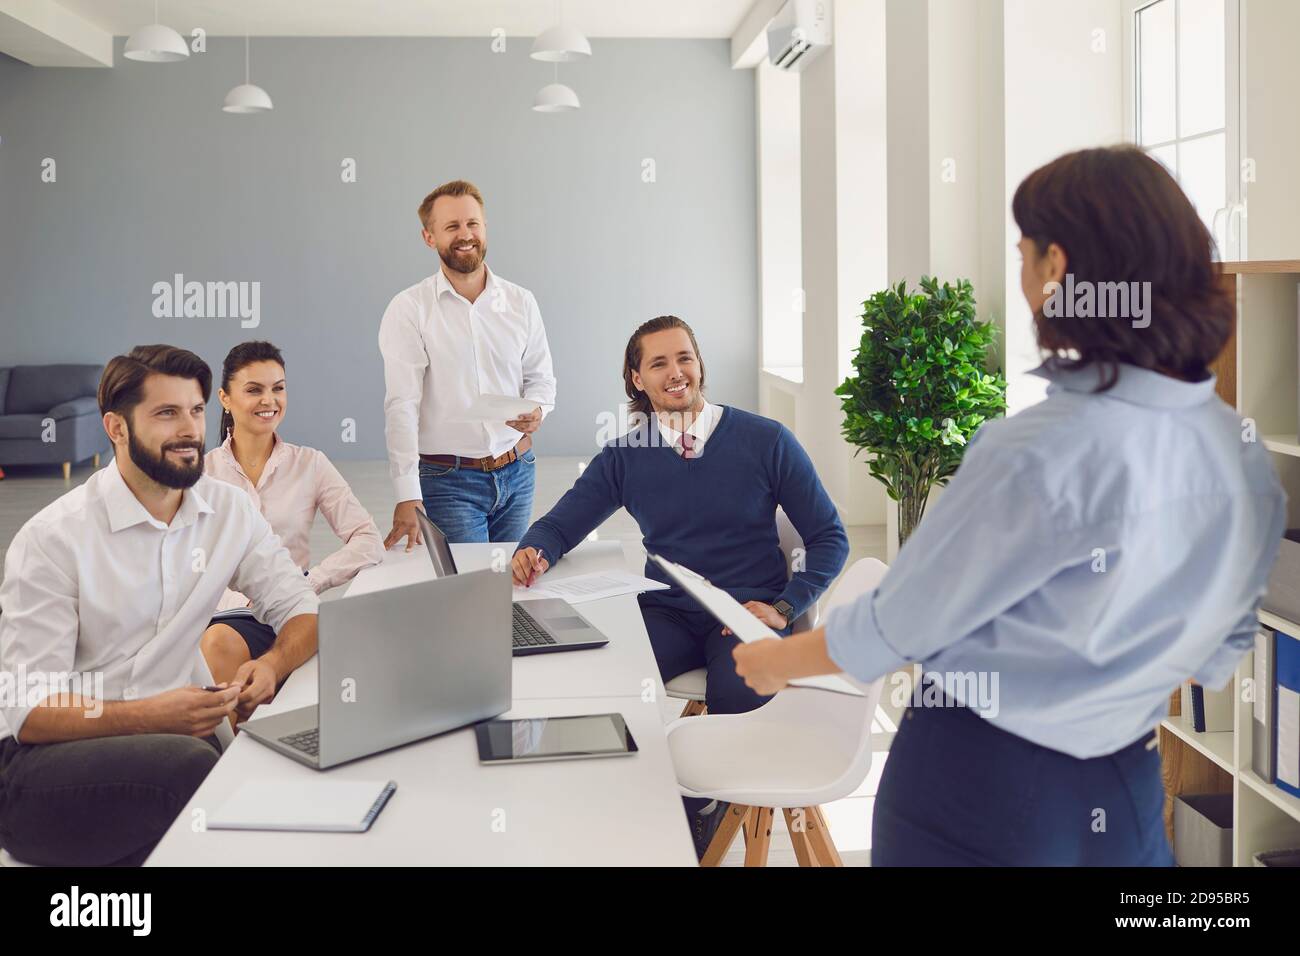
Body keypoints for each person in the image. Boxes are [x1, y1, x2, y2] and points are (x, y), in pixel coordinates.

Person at [732, 145, 1287, 866]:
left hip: (979, 786)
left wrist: (777, 663)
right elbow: (1218, 654)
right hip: (1123, 784)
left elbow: (900, 623)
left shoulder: (1039, 449)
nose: (1022, 278)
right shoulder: (1242, 454)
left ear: (1058, 269)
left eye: (1024, 255)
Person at [511, 315, 848, 856]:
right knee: (602, 677)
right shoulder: (625, 455)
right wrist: (535, 550)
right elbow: (560, 523)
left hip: (746, 612)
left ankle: (698, 809)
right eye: (659, 363)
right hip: (667, 609)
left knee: (737, 699)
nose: (676, 373)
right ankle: (609, 799)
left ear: (699, 365)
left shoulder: (766, 441)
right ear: (636, 379)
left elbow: (831, 537)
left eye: (684, 358)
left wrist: (786, 607)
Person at [0, 345, 319, 865]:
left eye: (195, 411)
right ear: (116, 427)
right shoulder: (54, 540)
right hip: (38, 769)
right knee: (191, 768)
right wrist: (151, 715)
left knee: (281, 764)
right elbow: (30, 711)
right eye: (166, 414)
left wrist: (270, 664)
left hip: (178, 748)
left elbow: (301, 606)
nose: (189, 430)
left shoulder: (227, 511)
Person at [379, 179, 556, 548]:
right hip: (448, 481)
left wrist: (539, 409)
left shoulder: (521, 302)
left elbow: (541, 377)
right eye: (452, 227)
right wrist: (406, 492)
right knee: (471, 595)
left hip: (518, 470)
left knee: (513, 588)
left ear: (485, 227)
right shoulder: (409, 309)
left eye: (473, 223)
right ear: (429, 237)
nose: (466, 235)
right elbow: (402, 406)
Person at [201, 341, 384, 693]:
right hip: (218, 609)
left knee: (220, 645)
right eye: (254, 390)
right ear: (225, 398)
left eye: (278, 389)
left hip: (286, 609)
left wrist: (310, 580)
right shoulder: (201, 473)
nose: (269, 401)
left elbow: (368, 539)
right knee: (213, 644)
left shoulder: (310, 464)